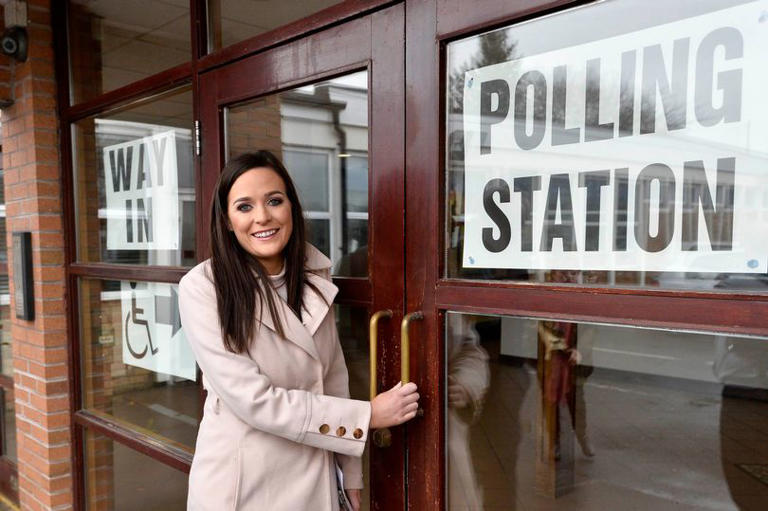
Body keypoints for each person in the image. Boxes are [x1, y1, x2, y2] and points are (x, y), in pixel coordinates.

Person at [179, 151, 420, 510]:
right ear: (227, 220)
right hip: (244, 486)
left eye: (274, 201)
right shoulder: (203, 287)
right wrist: (367, 416)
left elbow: (333, 379)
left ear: (291, 206)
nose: (263, 217)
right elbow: (254, 401)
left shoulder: (313, 274)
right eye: (244, 207)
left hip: (316, 478)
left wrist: (350, 477)